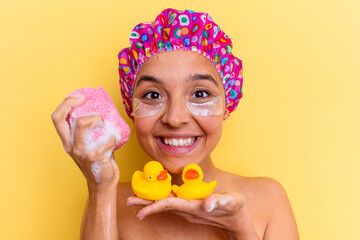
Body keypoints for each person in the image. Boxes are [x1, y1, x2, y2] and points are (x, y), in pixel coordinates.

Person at [52, 8, 299, 240]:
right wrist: (101, 188)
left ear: (227, 105)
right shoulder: (112, 201)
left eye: (200, 94)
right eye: (153, 95)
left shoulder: (268, 200)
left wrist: (239, 228)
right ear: (131, 109)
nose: (175, 118)